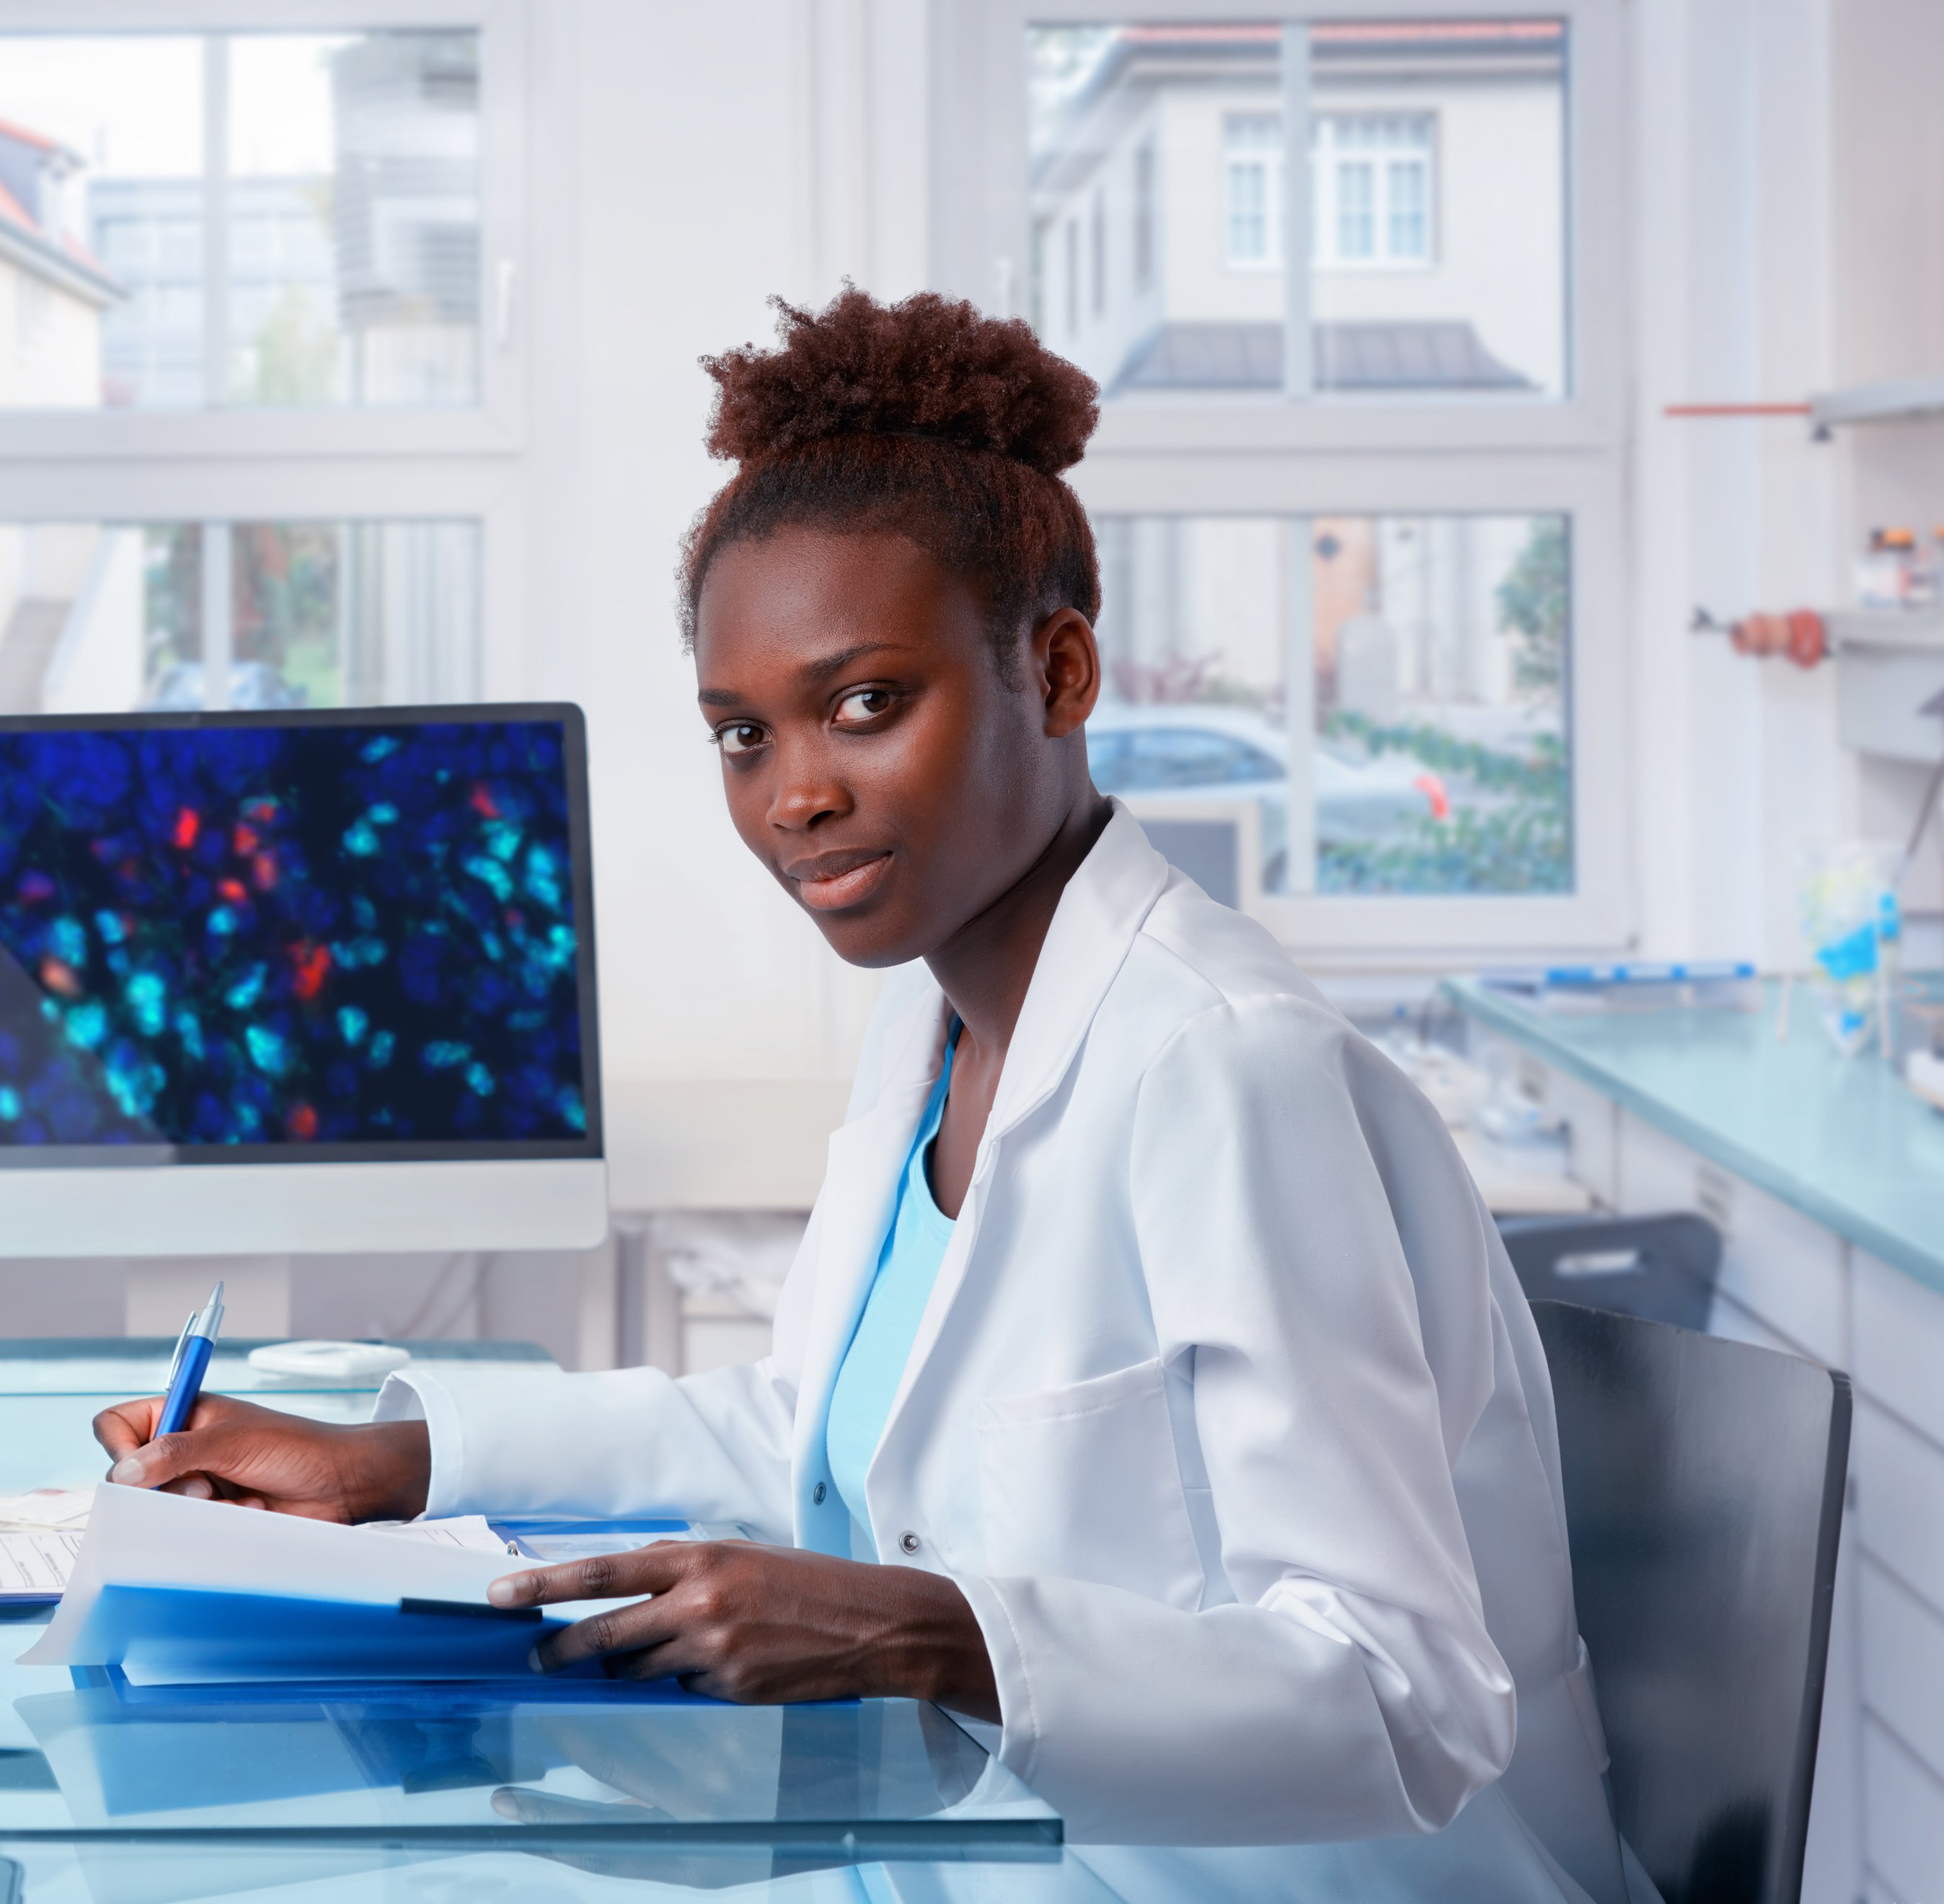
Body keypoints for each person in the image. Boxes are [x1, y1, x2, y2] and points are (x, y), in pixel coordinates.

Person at [96, 290, 1631, 1900]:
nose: (797, 793)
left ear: (1058, 670)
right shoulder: (933, 1025)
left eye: (866, 704)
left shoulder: (1227, 1065)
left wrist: (932, 1634)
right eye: (743, 734)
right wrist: (390, 1459)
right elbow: (814, 1442)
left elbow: (1409, 1693)